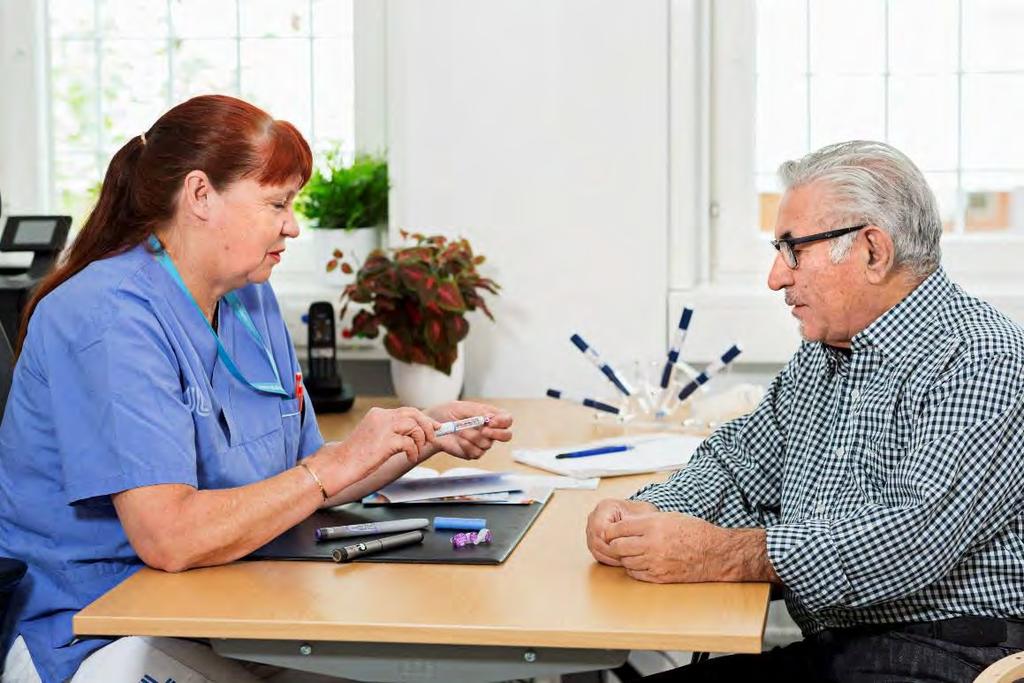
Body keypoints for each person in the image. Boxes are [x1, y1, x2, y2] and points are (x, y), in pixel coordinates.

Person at [0, 95, 513, 683]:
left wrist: (417, 435)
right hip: (102, 629)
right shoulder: (105, 317)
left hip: (226, 607)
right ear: (200, 196)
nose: (293, 225)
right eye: (277, 203)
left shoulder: (249, 298)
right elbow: (169, 537)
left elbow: (309, 473)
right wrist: (335, 468)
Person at [586, 141, 1024, 682]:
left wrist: (726, 554)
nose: (776, 277)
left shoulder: (980, 356)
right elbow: (737, 463)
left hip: (948, 649)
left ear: (872, 251)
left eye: (794, 249)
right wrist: (644, 514)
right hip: (849, 645)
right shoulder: (825, 353)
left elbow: (910, 539)